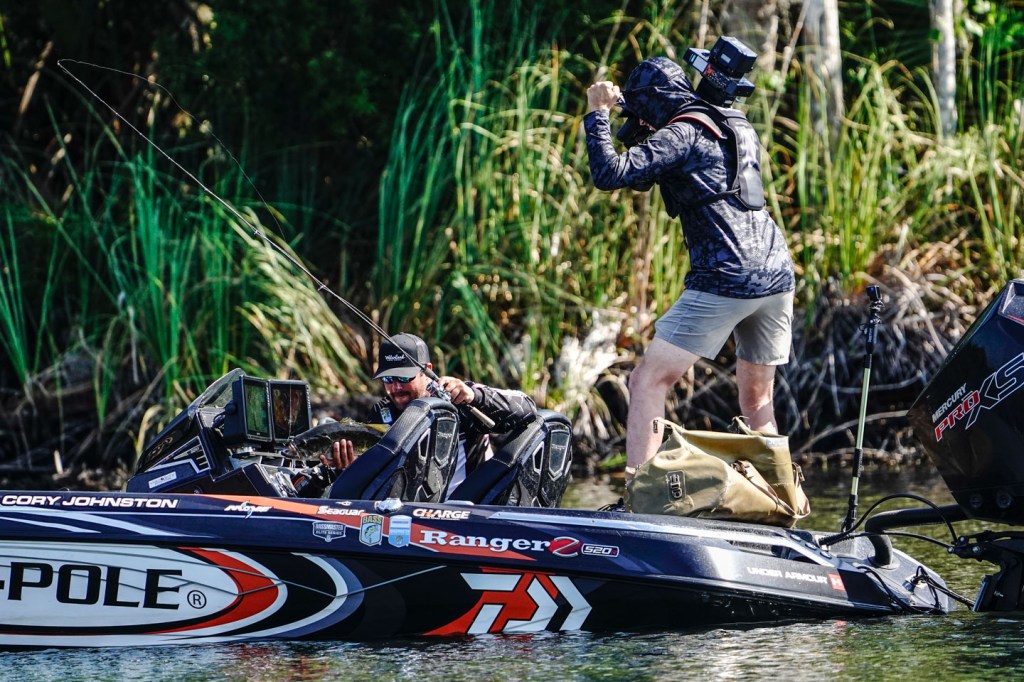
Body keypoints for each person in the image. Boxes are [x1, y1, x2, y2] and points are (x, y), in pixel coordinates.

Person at [582, 54, 795, 479]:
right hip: (776, 273)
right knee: (757, 400)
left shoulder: (682, 132)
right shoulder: (733, 123)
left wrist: (598, 114)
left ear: (653, 101)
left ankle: (639, 491)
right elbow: (648, 176)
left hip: (726, 274)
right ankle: (787, 495)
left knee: (647, 381)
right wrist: (641, 128)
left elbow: (610, 174)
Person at [321, 333, 538, 498]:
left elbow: (528, 407)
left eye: (404, 378)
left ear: (426, 370)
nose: (396, 388)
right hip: (409, 515)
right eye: (388, 379)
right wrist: (350, 468)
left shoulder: (459, 398)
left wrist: (475, 396)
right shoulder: (382, 413)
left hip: (467, 512)